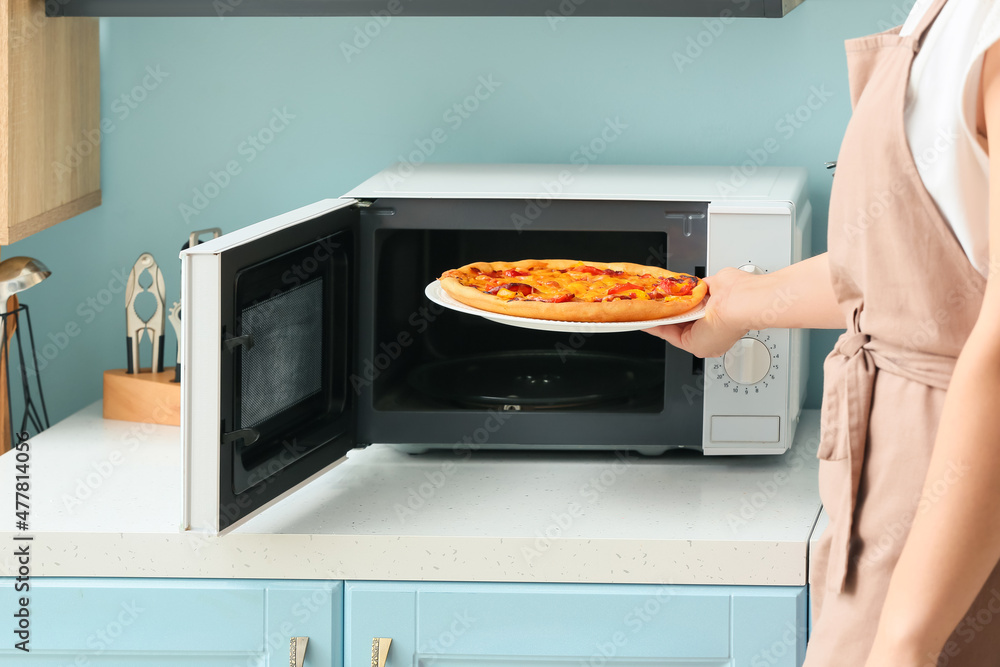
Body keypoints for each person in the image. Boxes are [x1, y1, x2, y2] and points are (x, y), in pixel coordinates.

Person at [646, 1, 1000, 664]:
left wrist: (903, 642)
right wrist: (741, 304)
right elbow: (912, 278)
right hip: (884, 508)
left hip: (950, 517)